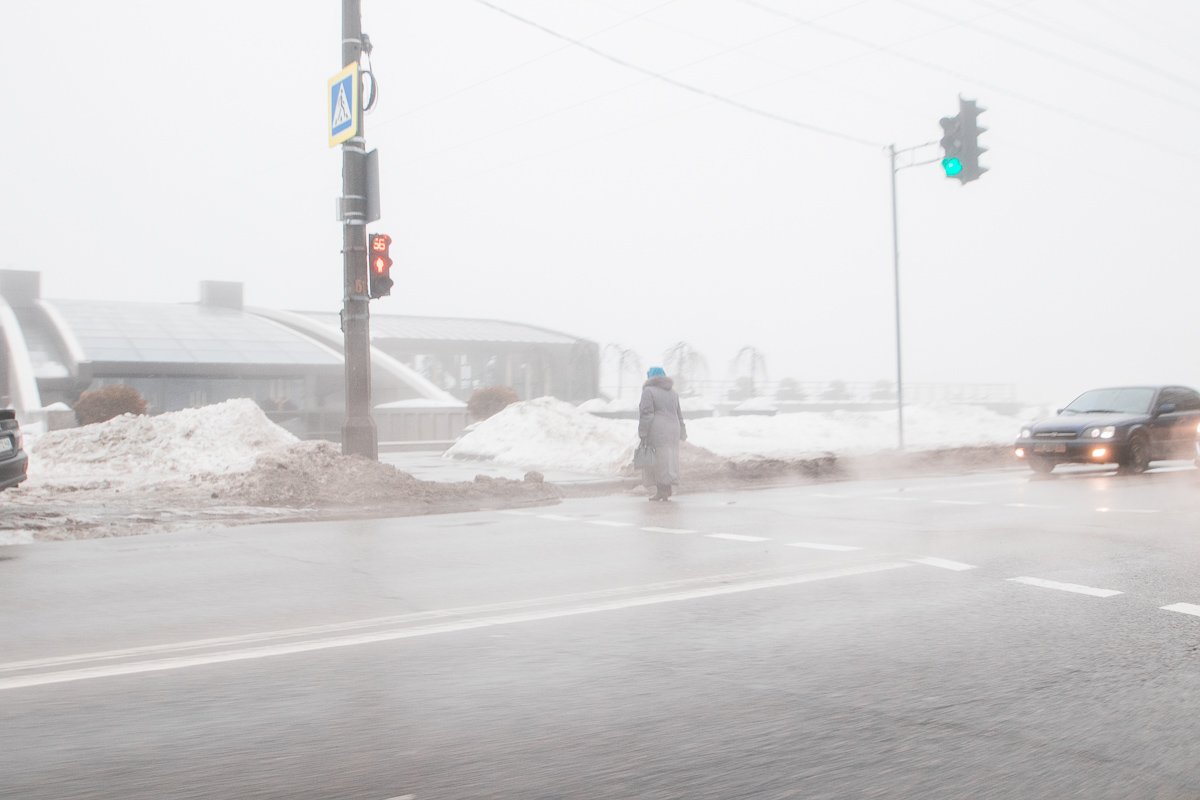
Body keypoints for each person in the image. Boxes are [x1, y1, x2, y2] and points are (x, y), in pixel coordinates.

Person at [638, 366, 687, 501]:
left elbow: (646, 414)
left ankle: (661, 491)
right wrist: (682, 430)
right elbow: (679, 414)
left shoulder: (648, 391)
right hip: (673, 429)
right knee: (669, 460)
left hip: (658, 429)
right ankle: (667, 489)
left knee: (658, 461)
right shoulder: (673, 393)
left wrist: (642, 432)